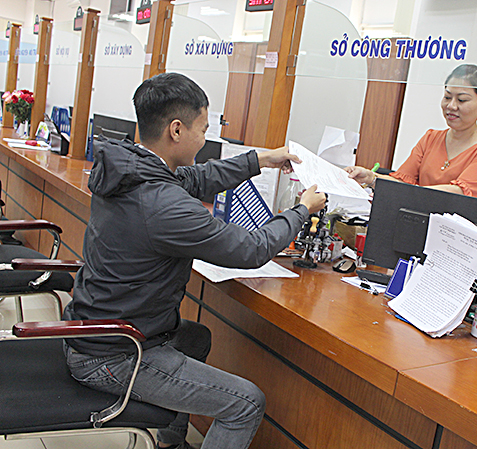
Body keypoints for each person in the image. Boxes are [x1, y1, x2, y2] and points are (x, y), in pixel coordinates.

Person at [62, 72, 327, 449]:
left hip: (95, 331)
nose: (205, 139)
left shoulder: (129, 168)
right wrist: (301, 210)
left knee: (196, 337)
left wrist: (262, 159)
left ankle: (170, 442)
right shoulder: (163, 205)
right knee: (246, 403)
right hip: (114, 355)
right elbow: (251, 249)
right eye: (203, 130)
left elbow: (197, 177)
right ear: (176, 130)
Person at [345, 64, 477, 201]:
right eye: (447, 97)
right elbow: (403, 182)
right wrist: (371, 178)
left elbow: (458, 194)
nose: (451, 106)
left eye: (462, 100)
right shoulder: (431, 138)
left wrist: (407, 192)